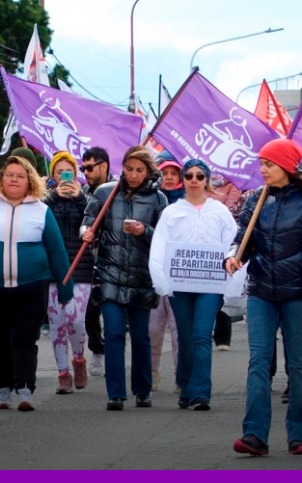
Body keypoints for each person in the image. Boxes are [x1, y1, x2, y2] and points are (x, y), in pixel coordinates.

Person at [225, 138, 302, 458]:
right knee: (258, 362)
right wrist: (234, 256)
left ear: (287, 166)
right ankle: (254, 434)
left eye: (269, 164)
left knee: (298, 365)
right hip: (261, 294)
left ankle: (299, 435)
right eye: (262, 163)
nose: (263, 169)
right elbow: (242, 238)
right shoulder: (257, 199)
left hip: (298, 295)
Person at [0, 155, 73, 411]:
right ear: (1, 178)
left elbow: (57, 251)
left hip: (32, 287)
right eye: (9, 174)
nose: (14, 179)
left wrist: (66, 287)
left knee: (24, 339)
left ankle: (24, 389)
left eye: (20, 175)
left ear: (29, 180)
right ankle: (3, 388)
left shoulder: (42, 210)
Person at [81, 145, 168, 411]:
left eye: (139, 170)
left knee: (141, 336)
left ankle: (142, 390)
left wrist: (145, 230)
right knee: (115, 333)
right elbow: (89, 220)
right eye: (129, 169)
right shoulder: (106, 192)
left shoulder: (158, 199)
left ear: (148, 170)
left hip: (142, 275)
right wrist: (87, 232)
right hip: (110, 272)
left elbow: (165, 238)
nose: (133, 174)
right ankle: (115, 393)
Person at [148, 159, 236, 412]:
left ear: (207, 180)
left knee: (201, 335)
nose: (194, 180)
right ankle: (185, 387)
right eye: (189, 176)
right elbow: (159, 247)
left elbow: (233, 243)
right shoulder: (172, 212)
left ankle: (200, 393)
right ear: (183, 180)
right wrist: (161, 282)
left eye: (199, 176)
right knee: (185, 337)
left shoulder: (219, 211)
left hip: (210, 285)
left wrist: (231, 280)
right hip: (180, 286)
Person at [44, 151, 94, 394]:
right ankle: (63, 373)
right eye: (59, 171)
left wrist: (80, 199)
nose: (64, 176)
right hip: (54, 269)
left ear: (75, 174)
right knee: (57, 323)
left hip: (81, 268)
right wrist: (53, 197)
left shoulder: (85, 198)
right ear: (52, 174)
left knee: (76, 319)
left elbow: (94, 223)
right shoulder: (45, 198)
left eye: (69, 171)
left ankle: (79, 358)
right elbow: (40, 220)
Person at [150, 157, 183, 393]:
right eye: (165, 173)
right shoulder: (150, 200)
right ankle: (150, 374)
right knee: (152, 329)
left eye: (174, 173)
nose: (169, 177)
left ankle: (182, 378)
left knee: (179, 330)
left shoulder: (188, 203)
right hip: (153, 273)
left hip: (180, 276)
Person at [81, 146, 113, 377]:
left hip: (115, 260)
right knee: (90, 312)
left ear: (104, 166)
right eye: (83, 168)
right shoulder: (82, 191)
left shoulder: (117, 190)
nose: (86, 173)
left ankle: (115, 354)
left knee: (114, 314)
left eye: (90, 168)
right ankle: (98, 350)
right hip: (89, 260)